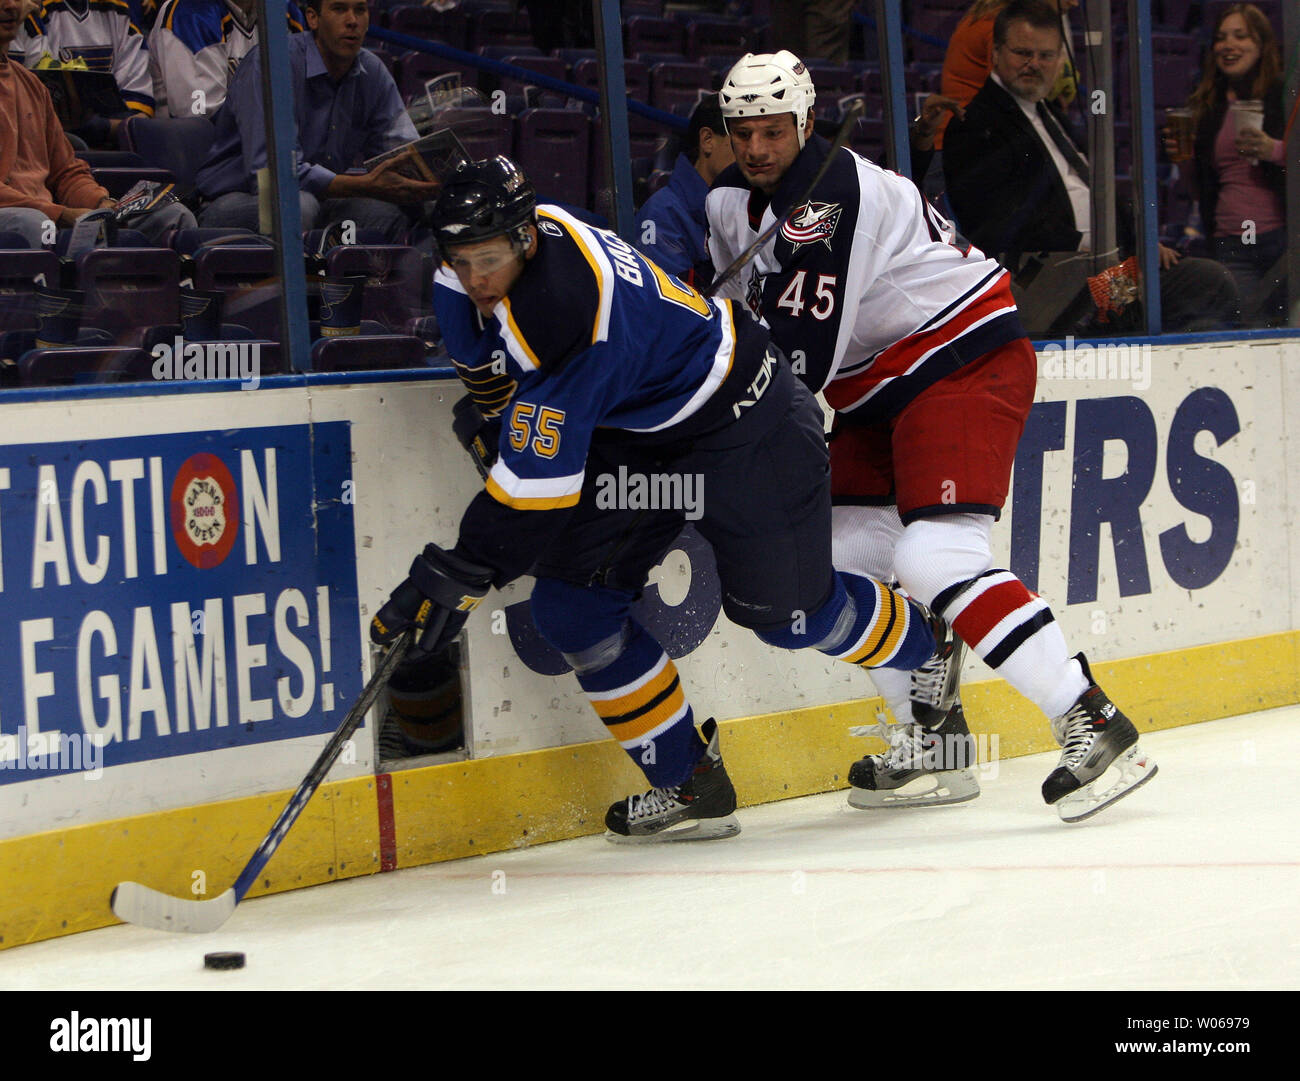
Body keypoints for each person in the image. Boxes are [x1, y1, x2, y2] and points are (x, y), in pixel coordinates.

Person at [370, 154, 959, 842]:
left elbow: (530, 500)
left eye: (489, 260)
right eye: (461, 260)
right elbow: (491, 376)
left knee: (789, 616)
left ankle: (927, 646)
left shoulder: (568, 315)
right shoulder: (507, 247)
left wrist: (451, 575)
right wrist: (503, 429)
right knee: (573, 609)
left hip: (747, 418)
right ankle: (689, 778)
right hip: (640, 431)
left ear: (526, 238)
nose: (475, 278)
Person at [706, 49, 1158, 821]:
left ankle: (1091, 716)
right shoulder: (730, 207)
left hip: (959, 358)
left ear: (805, 122)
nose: (756, 148)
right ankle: (935, 734)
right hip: (876, 388)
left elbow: (797, 360)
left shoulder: (834, 193)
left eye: (774, 130)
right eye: (743, 132)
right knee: (831, 559)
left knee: (932, 554)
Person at [942, 0, 1239, 334]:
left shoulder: (1048, 112)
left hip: (1101, 270)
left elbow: (1095, 189)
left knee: (1207, 285)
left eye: (1046, 56)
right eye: (1023, 53)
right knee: (1203, 285)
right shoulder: (977, 123)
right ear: (995, 53)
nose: (1034, 65)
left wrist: (1141, 240)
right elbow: (998, 227)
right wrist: (1098, 245)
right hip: (1057, 283)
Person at [194, 0, 437, 240]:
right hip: (234, 200)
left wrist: (431, 175)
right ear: (313, 18)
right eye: (339, 9)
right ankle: (287, 280)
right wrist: (365, 185)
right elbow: (273, 176)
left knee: (396, 211)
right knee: (297, 206)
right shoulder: (271, 63)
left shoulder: (372, 71)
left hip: (320, 199)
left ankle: (401, 278)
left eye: (360, 10)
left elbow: (403, 149)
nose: (352, 21)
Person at [0, 0, 194, 245]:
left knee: (171, 215)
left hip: (52, 216)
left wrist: (101, 203)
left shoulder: (32, 85)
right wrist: (61, 215)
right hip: (31, 220)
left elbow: (65, 172)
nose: (9, 6)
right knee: (32, 223)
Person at [1173, 3, 1287, 328]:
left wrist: (1273, 149)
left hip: (1282, 240)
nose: (1228, 45)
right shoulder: (1209, 105)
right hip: (1232, 242)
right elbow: (1198, 189)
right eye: (1222, 37)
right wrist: (1183, 161)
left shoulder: (1284, 96)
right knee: (1247, 332)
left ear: (1262, 45)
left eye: (1241, 36)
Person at [936, 0, 1079, 149]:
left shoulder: (1000, 19)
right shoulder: (1003, 27)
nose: (1074, 3)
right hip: (970, 146)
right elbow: (1015, 96)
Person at [11, 0, 156, 141]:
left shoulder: (120, 11)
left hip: (114, 147)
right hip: (53, 146)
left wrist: (101, 128)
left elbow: (140, 114)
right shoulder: (33, 10)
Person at [634, 93, 734, 291]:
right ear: (707, 140)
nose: (755, 151)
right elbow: (670, 308)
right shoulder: (662, 214)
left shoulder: (757, 206)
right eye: (742, 137)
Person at [147, 0, 304, 119]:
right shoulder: (190, 13)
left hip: (267, 150)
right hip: (204, 155)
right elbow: (199, 115)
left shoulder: (284, 12)